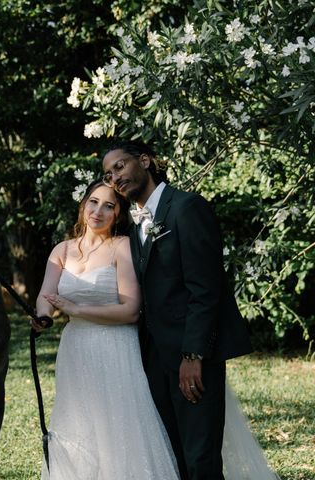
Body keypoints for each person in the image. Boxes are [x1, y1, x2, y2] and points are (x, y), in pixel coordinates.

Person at [101, 140, 254, 480]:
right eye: (108, 174)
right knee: (172, 458)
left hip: (193, 356)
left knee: (200, 458)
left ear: (145, 161)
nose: (115, 177)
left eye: (120, 166)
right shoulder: (131, 225)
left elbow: (206, 289)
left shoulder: (187, 207)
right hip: (153, 359)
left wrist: (192, 356)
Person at [31, 179, 181, 479]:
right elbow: (45, 296)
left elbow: (130, 311)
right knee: (78, 423)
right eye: (93, 202)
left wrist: (76, 310)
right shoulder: (62, 249)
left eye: (109, 206)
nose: (98, 211)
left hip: (115, 346)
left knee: (120, 426)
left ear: (118, 214)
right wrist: (42, 317)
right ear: (83, 205)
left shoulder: (121, 247)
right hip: (75, 349)